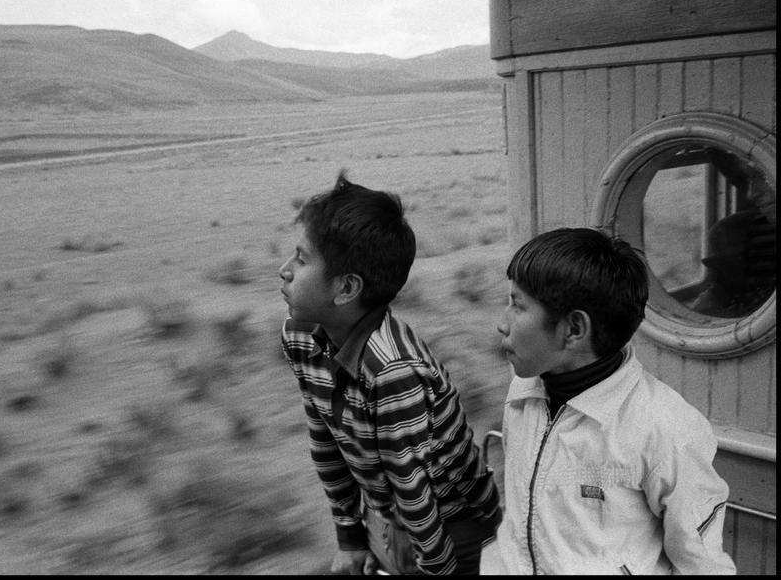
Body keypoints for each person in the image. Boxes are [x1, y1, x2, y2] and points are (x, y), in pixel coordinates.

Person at [279, 170, 502, 575]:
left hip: (454, 524)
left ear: (346, 289)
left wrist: (435, 567)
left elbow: (413, 485)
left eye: (301, 259)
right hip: (390, 515)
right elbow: (325, 438)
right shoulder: (300, 337)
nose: (285, 269)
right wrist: (349, 536)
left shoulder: (392, 371)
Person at [486, 227, 736, 574]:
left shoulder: (666, 429)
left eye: (517, 305)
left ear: (574, 329)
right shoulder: (524, 391)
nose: (501, 323)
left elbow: (702, 565)